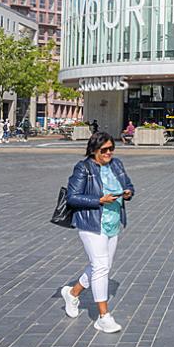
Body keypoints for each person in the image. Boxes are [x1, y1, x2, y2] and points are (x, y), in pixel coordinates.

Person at [60, 132, 134, 333]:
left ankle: (73, 293)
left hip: (113, 222)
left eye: (111, 149)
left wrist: (127, 193)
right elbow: (72, 197)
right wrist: (99, 200)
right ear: (93, 150)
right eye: (104, 150)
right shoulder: (83, 168)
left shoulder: (116, 164)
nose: (108, 153)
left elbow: (128, 184)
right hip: (91, 223)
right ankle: (103, 316)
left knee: (101, 266)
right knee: (101, 267)